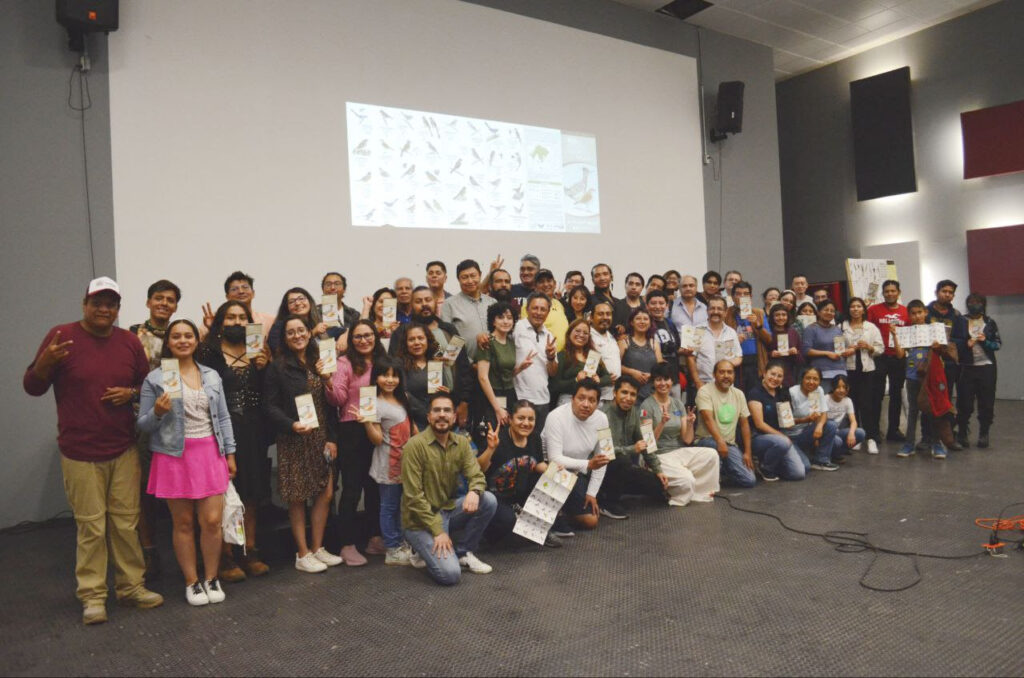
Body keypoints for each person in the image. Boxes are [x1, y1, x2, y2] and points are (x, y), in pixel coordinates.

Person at [24, 276, 163, 625]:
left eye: (111, 303)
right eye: (97, 302)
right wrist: (46, 363)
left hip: (123, 448)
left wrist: (130, 394)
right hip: (79, 452)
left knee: (126, 524)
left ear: (118, 308)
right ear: (84, 304)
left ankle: (131, 588)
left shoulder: (130, 342)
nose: (104, 309)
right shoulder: (62, 337)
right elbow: (32, 386)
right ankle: (93, 596)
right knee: (91, 528)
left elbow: (145, 386)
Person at [138, 319, 236, 606]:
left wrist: (230, 453)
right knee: (182, 523)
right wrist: (157, 412)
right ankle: (192, 582)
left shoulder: (211, 376)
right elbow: (143, 425)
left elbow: (224, 417)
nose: (183, 340)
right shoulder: (155, 379)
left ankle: (212, 577)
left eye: (188, 336)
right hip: (173, 457)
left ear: (196, 341)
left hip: (209, 453)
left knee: (212, 521)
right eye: (176, 336)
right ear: (169, 342)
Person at [197, 301, 272, 581]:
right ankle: (226, 554)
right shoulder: (209, 352)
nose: (236, 322)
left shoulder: (258, 350)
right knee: (225, 494)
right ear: (220, 321)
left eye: (242, 317)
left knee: (251, 493)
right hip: (221, 430)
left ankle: (247, 549)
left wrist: (266, 367)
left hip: (253, 429)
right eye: (230, 317)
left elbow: (268, 392)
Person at [263, 316, 341, 572]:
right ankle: (302, 553)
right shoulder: (278, 366)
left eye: (301, 330)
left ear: (309, 333)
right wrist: (290, 425)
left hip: (320, 437)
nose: (297, 335)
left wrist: (331, 437)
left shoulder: (319, 360)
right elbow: (270, 406)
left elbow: (330, 404)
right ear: (284, 338)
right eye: (291, 332)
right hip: (295, 437)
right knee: (297, 497)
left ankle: (318, 548)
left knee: (325, 493)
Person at [402, 393, 498, 585]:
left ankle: (463, 552)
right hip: (420, 521)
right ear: (429, 417)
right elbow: (413, 497)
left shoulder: (461, 443)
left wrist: (474, 491)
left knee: (487, 500)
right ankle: (417, 548)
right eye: (436, 410)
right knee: (451, 575)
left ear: (454, 417)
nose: (442, 415)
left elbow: (477, 475)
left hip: (447, 510)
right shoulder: (414, 446)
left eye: (447, 410)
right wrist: (438, 531)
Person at [128, 279, 181, 579]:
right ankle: (149, 552)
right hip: (144, 418)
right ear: (148, 302)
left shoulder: (181, 334)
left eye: (170, 300)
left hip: (178, 419)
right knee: (144, 489)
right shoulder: (133, 335)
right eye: (158, 298)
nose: (164, 303)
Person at [325, 319, 386, 565]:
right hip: (352, 429)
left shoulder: (382, 362)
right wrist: (328, 381)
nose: (364, 340)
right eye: (358, 336)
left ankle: (375, 538)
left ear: (375, 336)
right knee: (352, 488)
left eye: (368, 335)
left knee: (375, 486)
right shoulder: (344, 363)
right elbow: (337, 398)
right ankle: (347, 544)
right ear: (351, 341)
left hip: (380, 427)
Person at [475, 401, 560, 547]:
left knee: (554, 480)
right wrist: (490, 449)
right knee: (508, 523)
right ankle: (486, 533)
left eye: (530, 419)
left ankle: (535, 530)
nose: (526, 423)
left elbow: (538, 464)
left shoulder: (534, 438)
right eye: (521, 418)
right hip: (496, 496)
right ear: (510, 419)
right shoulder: (497, 438)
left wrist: (555, 472)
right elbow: (478, 469)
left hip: (520, 490)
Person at [358, 356, 415, 566]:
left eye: (394, 375)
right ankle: (391, 548)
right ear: (376, 378)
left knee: (402, 506)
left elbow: (411, 427)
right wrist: (366, 423)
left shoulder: (403, 398)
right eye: (384, 375)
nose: (390, 380)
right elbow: (377, 439)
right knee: (389, 507)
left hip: (406, 463)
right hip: (387, 464)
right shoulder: (374, 403)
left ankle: (400, 543)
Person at [638, 364, 720, 506]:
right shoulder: (646, 406)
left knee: (712, 454)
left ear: (672, 381)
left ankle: (698, 492)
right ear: (653, 382)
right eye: (658, 380)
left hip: (678, 451)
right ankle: (676, 494)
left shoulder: (678, 404)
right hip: (657, 455)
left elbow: (687, 440)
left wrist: (689, 424)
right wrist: (662, 423)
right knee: (687, 479)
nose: (663, 383)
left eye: (666, 379)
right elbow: (648, 444)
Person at [394, 285, 474, 430]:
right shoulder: (402, 332)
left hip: (451, 405)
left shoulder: (449, 330)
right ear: (411, 305)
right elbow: (395, 371)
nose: (424, 304)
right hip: (415, 413)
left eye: (428, 300)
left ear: (436, 301)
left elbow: (463, 367)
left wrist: (464, 402)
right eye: (418, 301)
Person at [542, 379, 613, 530]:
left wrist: (591, 493)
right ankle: (554, 514)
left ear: (598, 403)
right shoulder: (555, 417)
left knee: (591, 521)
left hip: (576, 474)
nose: (586, 404)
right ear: (572, 398)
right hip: (550, 471)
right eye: (581, 398)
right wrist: (588, 464)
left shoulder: (602, 419)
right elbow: (554, 459)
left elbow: (604, 459)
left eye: (592, 400)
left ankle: (564, 511)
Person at [893, 300, 957, 459]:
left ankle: (937, 444)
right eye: (913, 313)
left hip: (932, 377)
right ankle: (909, 444)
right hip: (912, 376)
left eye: (919, 312)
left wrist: (938, 346)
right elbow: (900, 355)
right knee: (913, 411)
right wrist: (894, 335)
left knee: (934, 410)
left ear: (925, 313)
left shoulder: (935, 330)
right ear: (909, 315)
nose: (917, 316)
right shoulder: (906, 332)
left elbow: (946, 353)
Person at [599, 376, 669, 519]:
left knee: (658, 486)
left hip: (623, 468)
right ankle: (607, 502)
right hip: (601, 467)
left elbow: (647, 443)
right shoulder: (603, 416)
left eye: (632, 394)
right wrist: (632, 449)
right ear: (614, 393)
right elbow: (606, 452)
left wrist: (658, 469)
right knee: (623, 460)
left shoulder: (636, 413)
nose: (628, 398)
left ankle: (619, 489)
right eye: (624, 392)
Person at [694, 360, 756, 488]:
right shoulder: (704, 391)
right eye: (721, 372)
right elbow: (708, 419)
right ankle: (720, 467)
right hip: (707, 440)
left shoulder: (739, 394)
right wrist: (720, 442)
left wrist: (747, 452)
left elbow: (744, 424)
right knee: (713, 445)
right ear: (714, 374)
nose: (726, 376)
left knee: (749, 480)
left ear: (734, 375)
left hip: (730, 444)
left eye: (730, 372)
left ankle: (724, 469)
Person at [746, 361, 809, 481]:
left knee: (800, 472)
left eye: (779, 376)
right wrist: (782, 436)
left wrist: (805, 419)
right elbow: (759, 424)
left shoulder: (782, 393)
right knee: (783, 442)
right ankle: (765, 467)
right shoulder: (755, 393)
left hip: (779, 437)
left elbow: (787, 422)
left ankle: (775, 463)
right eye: (772, 374)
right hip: (758, 437)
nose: (775, 378)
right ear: (764, 373)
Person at [953, 292, 1001, 448]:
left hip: (987, 368)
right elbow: (954, 342)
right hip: (967, 368)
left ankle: (984, 433)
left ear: (983, 304)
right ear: (967, 304)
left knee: (986, 402)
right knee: (964, 402)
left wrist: (985, 341)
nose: (975, 304)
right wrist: (966, 344)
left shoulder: (989, 322)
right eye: (972, 302)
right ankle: (962, 432)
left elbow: (998, 345)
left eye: (978, 302)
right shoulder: (960, 321)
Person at [839, 297, 884, 453]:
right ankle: (857, 436)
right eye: (852, 306)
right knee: (853, 404)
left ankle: (871, 438)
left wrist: (869, 347)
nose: (855, 309)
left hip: (867, 370)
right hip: (848, 370)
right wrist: (846, 350)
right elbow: (837, 348)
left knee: (867, 404)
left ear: (864, 309)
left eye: (859, 306)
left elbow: (880, 348)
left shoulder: (871, 327)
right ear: (848, 309)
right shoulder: (842, 327)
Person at [867, 280, 909, 442]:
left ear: (898, 292)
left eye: (893, 291)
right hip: (879, 357)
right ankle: (875, 431)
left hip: (898, 357)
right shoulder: (873, 310)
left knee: (896, 395)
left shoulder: (906, 312)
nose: (890, 293)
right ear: (882, 293)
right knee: (876, 394)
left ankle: (893, 430)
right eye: (887, 291)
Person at [513, 292, 559, 432]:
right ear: (527, 309)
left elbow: (552, 372)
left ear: (548, 312)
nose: (538, 313)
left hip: (542, 400)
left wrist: (551, 357)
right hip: (519, 397)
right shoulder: (516, 328)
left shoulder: (549, 336)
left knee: (538, 443)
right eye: (535, 308)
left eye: (543, 309)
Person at [394, 323, 452, 431]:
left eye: (420, 338)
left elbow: (442, 391)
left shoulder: (435, 362)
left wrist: (444, 393)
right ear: (405, 343)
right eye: (411, 339)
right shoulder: (399, 364)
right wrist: (427, 414)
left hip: (437, 421)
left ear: (427, 340)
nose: (417, 343)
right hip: (412, 422)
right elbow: (404, 394)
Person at [441, 259, 496, 362]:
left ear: (480, 275)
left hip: (493, 366)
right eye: (464, 277)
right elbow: (446, 339)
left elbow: (499, 333)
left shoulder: (492, 302)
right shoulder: (449, 304)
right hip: (465, 369)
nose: (470, 281)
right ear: (458, 279)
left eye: (473, 275)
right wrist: (468, 364)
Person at [787, 367, 840, 470]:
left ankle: (821, 460)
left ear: (820, 381)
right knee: (804, 467)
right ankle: (797, 454)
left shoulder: (818, 390)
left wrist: (819, 426)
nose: (811, 382)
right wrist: (805, 420)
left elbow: (824, 412)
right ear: (802, 379)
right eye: (808, 378)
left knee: (833, 431)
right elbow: (785, 422)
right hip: (791, 436)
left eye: (815, 379)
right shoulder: (792, 393)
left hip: (807, 432)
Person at [476, 302, 518, 433]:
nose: (506, 321)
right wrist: (497, 409)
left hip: (510, 395)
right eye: (501, 317)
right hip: (492, 396)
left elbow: (506, 372)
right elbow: (483, 377)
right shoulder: (487, 342)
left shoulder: (511, 342)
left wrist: (521, 367)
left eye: (509, 317)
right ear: (493, 321)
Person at [551, 319, 612, 406]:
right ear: (569, 333)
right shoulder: (562, 355)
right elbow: (555, 385)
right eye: (577, 331)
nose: (581, 335)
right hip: (568, 402)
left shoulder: (593, 355)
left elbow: (608, 378)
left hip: (591, 402)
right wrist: (576, 380)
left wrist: (599, 380)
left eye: (585, 333)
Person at [724, 281, 771, 392]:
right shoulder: (726, 314)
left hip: (755, 360)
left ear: (751, 296)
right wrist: (735, 339)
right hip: (734, 360)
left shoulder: (758, 313)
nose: (742, 297)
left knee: (754, 394)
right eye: (738, 294)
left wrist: (758, 326)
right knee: (736, 394)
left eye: (745, 294)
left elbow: (769, 340)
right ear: (733, 296)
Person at [200, 271, 276, 339]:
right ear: (227, 297)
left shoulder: (269, 321)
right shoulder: (214, 319)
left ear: (253, 293)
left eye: (245, 287)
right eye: (234, 289)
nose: (241, 291)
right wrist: (214, 328)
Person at [687, 297, 741, 392]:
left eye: (719, 309)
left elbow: (739, 357)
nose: (715, 311)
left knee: (726, 408)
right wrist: (698, 382)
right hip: (704, 384)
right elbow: (691, 358)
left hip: (727, 385)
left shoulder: (731, 332)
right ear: (707, 311)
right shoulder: (697, 330)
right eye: (712, 308)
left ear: (725, 312)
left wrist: (725, 364)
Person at [927, 279, 962, 409]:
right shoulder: (925, 312)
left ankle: (947, 428)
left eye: (950, 292)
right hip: (928, 361)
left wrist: (945, 344)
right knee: (928, 397)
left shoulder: (957, 316)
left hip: (949, 364)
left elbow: (961, 339)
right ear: (936, 292)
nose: (947, 294)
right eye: (944, 291)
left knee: (946, 396)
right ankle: (927, 430)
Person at [618, 307, 663, 401]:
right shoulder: (624, 342)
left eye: (646, 319)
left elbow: (661, 368)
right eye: (638, 318)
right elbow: (616, 366)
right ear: (631, 322)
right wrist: (632, 372)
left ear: (650, 323)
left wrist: (651, 375)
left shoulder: (654, 343)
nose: (642, 322)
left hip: (652, 393)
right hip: (629, 394)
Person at [801, 299, 846, 392]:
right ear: (818, 312)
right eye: (826, 310)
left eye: (832, 311)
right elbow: (806, 350)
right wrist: (827, 353)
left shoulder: (837, 329)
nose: (829, 312)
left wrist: (848, 350)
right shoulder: (811, 329)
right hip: (821, 373)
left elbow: (840, 349)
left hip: (840, 371)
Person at [520, 269, 569, 351]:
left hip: (563, 354)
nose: (546, 284)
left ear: (554, 284)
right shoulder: (529, 305)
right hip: (544, 355)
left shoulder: (559, 304)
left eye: (549, 281)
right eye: (541, 282)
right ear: (535, 287)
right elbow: (527, 332)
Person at [267, 288, 326, 355]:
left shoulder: (318, 321)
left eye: (301, 299)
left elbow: (335, 332)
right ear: (286, 307)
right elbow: (277, 350)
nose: (297, 303)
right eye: (292, 302)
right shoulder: (279, 326)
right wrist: (313, 333)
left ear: (309, 301)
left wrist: (341, 336)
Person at [645, 290, 681, 397]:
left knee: (676, 409)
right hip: (654, 378)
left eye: (661, 303)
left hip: (673, 375)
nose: (657, 306)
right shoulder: (644, 323)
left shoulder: (670, 323)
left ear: (667, 305)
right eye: (653, 303)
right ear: (647, 305)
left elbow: (677, 345)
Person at [762, 303, 802, 388]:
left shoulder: (793, 332)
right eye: (777, 315)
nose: (781, 318)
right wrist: (771, 354)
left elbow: (801, 358)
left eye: (784, 315)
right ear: (772, 317)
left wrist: (795, 352)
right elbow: (762, 353)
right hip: (772, 374)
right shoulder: (767, 333)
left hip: (789, 373)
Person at [589, 300, 622, 403]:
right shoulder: (589, 337)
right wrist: (605, 380)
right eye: (600, 314)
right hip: (598, 398)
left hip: (613, 396)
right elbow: (589, 371)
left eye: (608, 314)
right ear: (591, 317)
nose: (605, 317)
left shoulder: (610, 336)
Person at [321, 272, 361, 354]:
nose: (332, 287)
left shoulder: (353, 314)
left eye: (337, 284)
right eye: (328, 284)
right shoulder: (314, 312)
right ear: (323, 289)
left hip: (350, 359)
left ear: (344, 289)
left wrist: (347, 333)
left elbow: (359, 334)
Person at [827, 375, 864, 458]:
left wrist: (851, 434)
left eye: (844, 387)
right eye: (838, 387)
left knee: (860, 433)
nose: (841, 390)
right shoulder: (826, 399)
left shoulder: (848, 400)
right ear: (832, 387)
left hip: (837, 432)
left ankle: (836, 454)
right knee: (837, 441)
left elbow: (853, 421)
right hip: (826, 433)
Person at [362, 287, 401, 351]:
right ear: (374, 304)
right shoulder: (367, 325)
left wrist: (396, 334)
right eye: (381, 301)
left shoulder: (401, 328)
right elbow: (360, 331)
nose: (384, 305)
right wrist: (366, 306)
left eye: (388, 302)